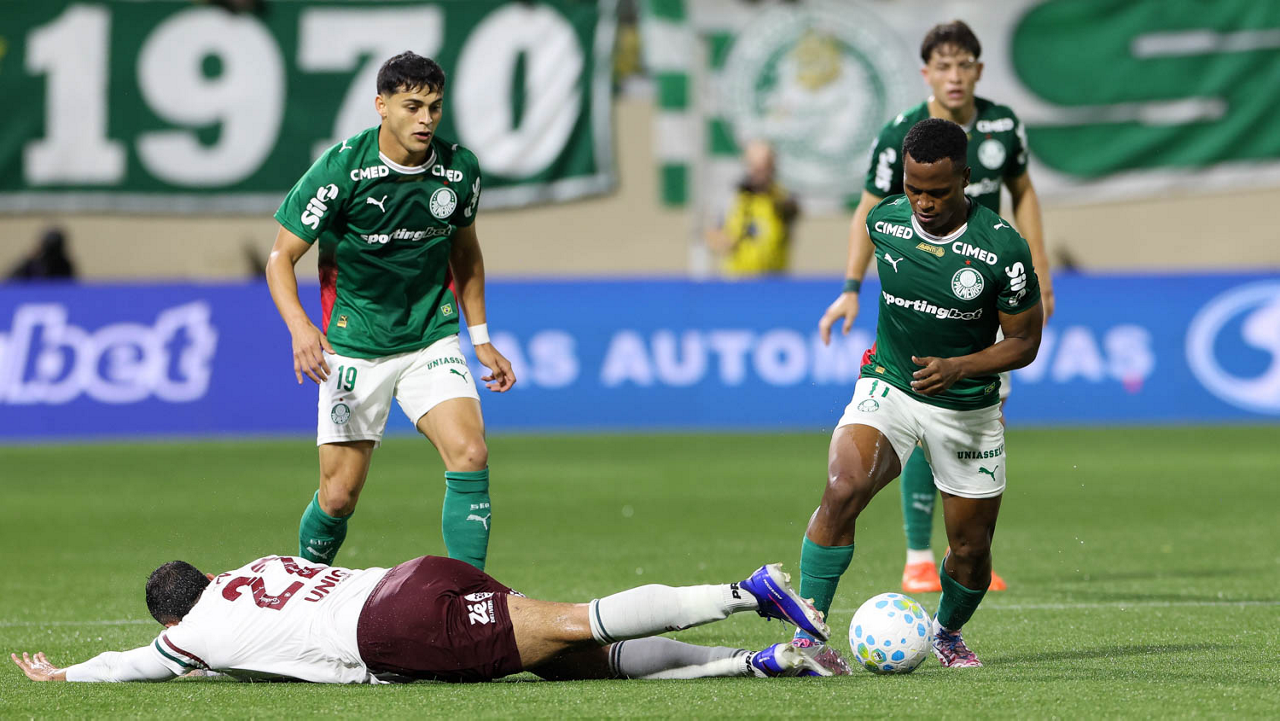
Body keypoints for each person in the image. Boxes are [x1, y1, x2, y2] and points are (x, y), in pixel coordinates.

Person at [817, 20, 1055, 596]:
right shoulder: (900, 134)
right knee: (911, 403)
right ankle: (918, 554)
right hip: (927, 277)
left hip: (984, 281)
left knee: (961, 403)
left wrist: (1038, 274)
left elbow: (1024, 192)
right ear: (927, 73)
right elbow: (869, 209)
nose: (954, 76)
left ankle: (958, 560)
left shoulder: (1003, 125)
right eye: (942, 66)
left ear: (978, 69)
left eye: (963, 64)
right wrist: (851, 283)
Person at [796, 118, 1043, 668]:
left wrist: (961, 367)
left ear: (966, 179)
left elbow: (1025, 341)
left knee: (971, 551)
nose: (924, 203)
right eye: (913, 189)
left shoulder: (1003, 249)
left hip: (967, 407)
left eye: (938, 191)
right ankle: (808, 636)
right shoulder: (886, 222)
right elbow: (869, 219)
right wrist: (849, 291)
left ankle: (947, 633)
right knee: (842, 488)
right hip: (891, 385)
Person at [265, 52, 515, 572]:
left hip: (431, 335)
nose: (426, 119)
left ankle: (470, 600)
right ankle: (301, 594)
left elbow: (465, 251)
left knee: (470, 453)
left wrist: (481, 335)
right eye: (413, 106)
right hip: (355, 346)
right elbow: (280, 258)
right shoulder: (341, 170)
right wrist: (300, 328)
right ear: (382, 106)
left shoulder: (458, 170)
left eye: (435, 108)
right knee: (338, 497)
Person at [10, 555, 847, 683]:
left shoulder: (189, 631)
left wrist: (64, 673)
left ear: (173, 609)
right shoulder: (251, 567)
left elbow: (131, 662)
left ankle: (744, 591)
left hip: (391, 630)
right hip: (414, 575)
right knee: (562, 657)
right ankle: (755, 659)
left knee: (569, 624)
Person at [704, 140, 799, 277]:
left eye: (765, 167)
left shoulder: (782, 199)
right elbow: (712, 233)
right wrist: (725, 241)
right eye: (754, 166)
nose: (759, 172)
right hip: (738, 281)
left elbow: (793, 219)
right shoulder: (733, 198)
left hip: (775, 281)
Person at [7, 227, 76, 281]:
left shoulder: (64, 265)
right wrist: (28, 260)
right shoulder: (32, 264)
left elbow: (69, 287)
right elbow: (10, 282)